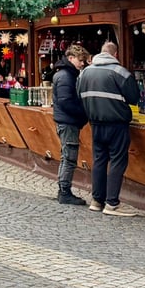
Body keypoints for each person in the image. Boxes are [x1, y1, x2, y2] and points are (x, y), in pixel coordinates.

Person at [77, 41, 140, 217]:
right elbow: (134, 97)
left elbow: (78, 95)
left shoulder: (84, 73)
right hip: (117, 123)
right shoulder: (119, 72)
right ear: (115, 54)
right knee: (118, 161)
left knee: (99, 160)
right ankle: (112, 203)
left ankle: (97, 201)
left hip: (95, 123)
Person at [51, 44, 90, 205]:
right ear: (71, 58)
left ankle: (63, 189)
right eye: (81, 60)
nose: (83, 64)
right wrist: (83, 114)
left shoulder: (66, 74)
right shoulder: (66, 76)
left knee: (66, 156)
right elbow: (66, 102)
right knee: (69, 158)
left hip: (66, 121)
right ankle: (64, 192)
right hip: (68, 122)